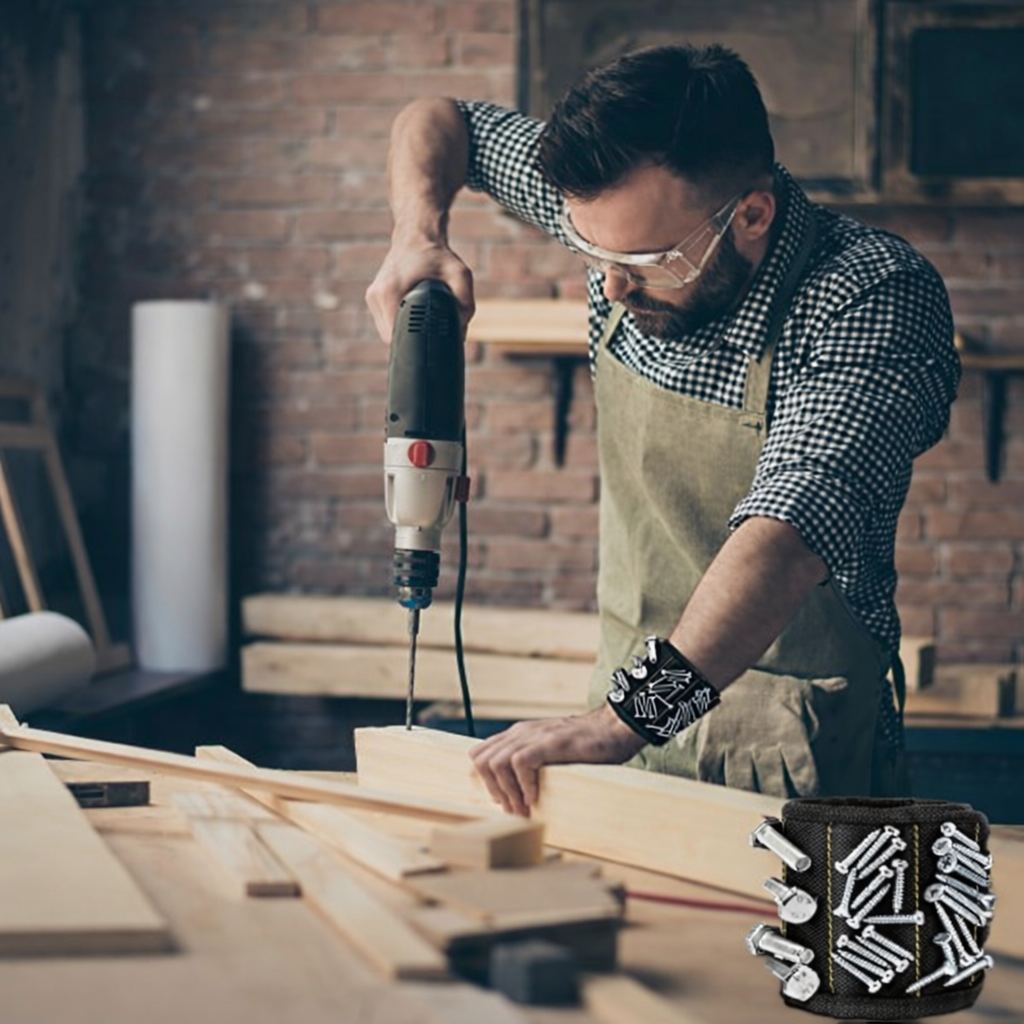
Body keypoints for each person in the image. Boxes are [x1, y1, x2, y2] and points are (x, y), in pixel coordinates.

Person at [366, 44, 959, 817]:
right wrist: (419, 233)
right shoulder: (626, 225)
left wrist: (622, 723)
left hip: (793, 758)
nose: (611, 285)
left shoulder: (871, 296)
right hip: (616, 731)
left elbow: (784, 540)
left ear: (751, 216)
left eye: (644, 260)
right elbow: (438, 120)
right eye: (590, 251)